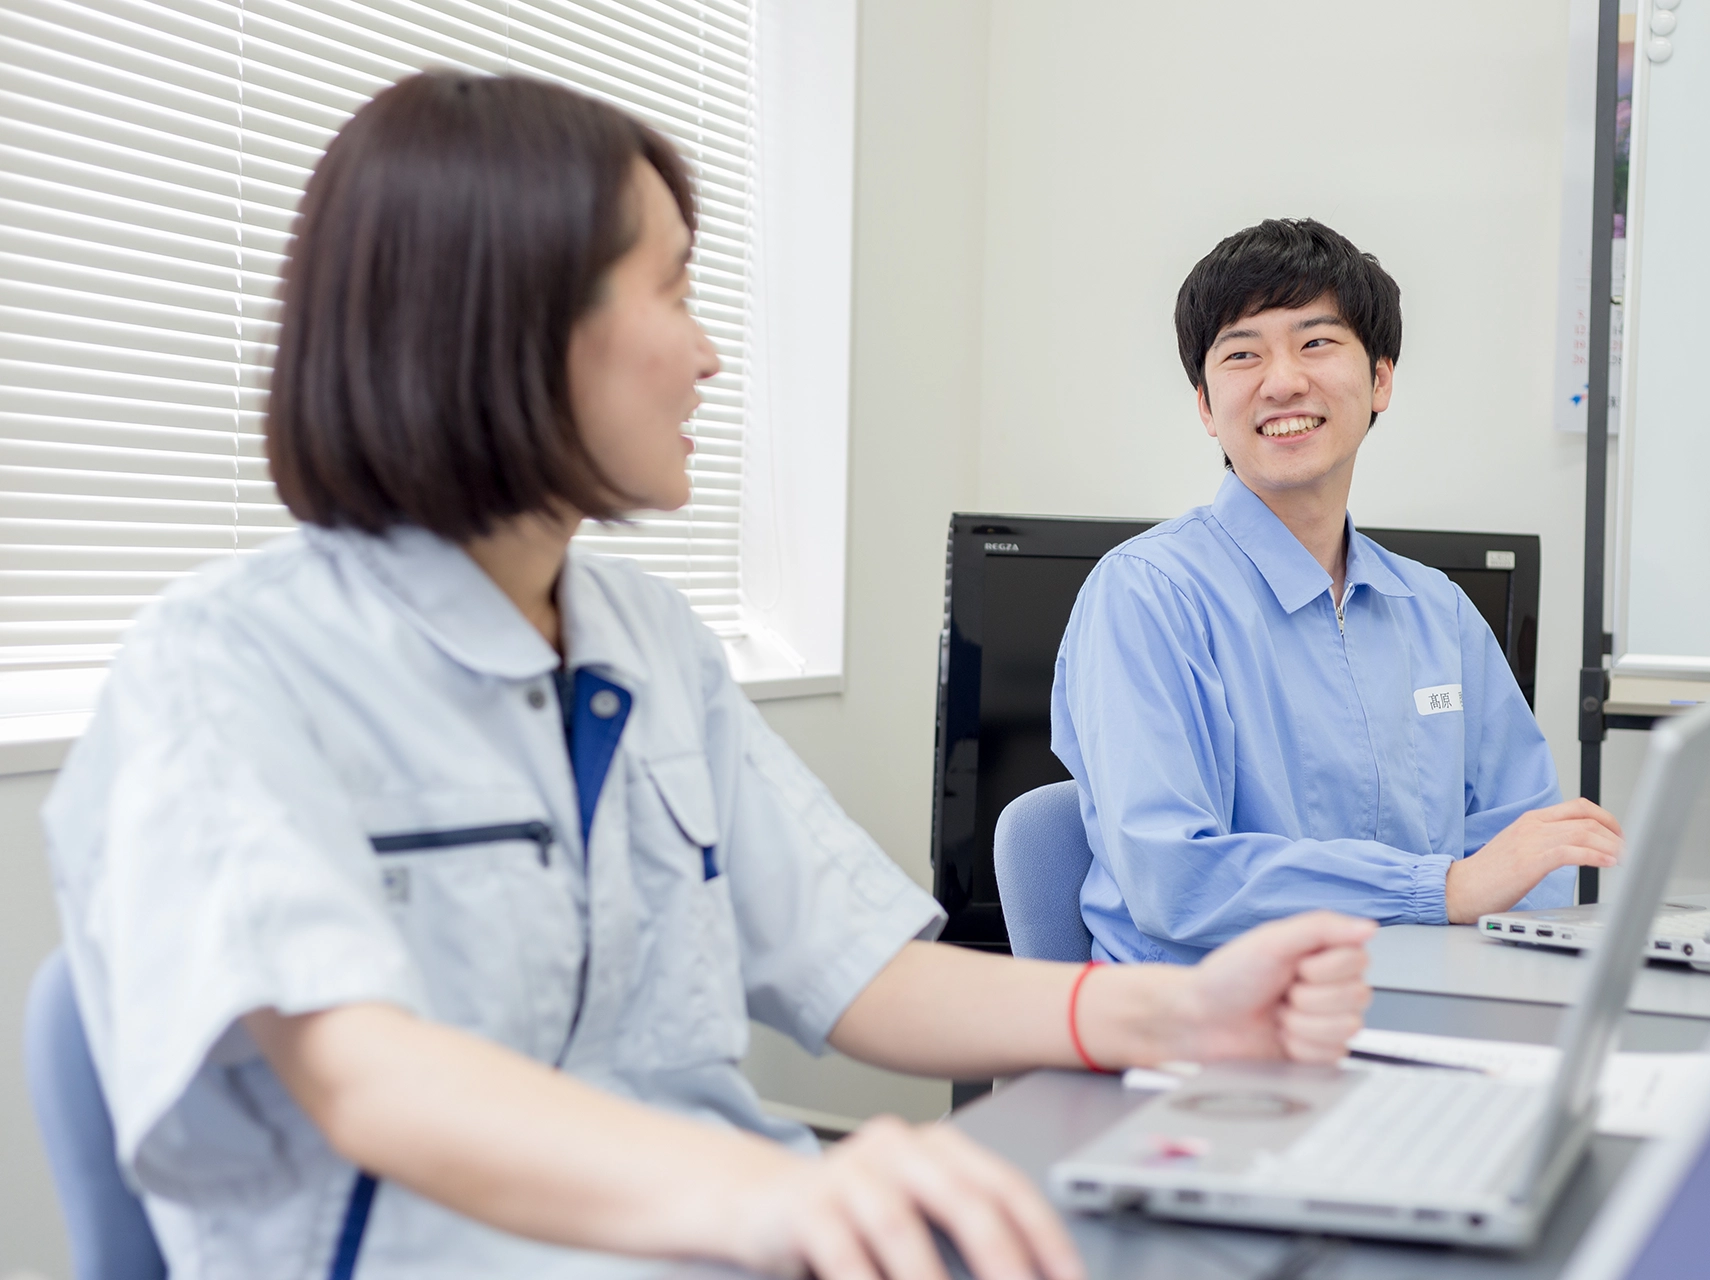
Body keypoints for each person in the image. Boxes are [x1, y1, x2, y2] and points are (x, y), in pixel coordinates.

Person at [41, 75, 1378, 1280]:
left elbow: (861, 972)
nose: (709, 353)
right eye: (672, 293)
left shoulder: (644, 638)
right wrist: (772, 1196)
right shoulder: (226, 667)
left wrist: (1178, 1010)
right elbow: (368, 1079)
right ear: (503, 320)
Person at [1050, 218, 1625, 966]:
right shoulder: (1146, 597)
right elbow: (1175, 879)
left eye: (1316, 343)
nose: (1283, 380)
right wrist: (1440, 889)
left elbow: (1527, 851)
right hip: (1207, 1036)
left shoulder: (1438, 613)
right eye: (1242, 353)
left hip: (1422, 1012)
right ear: (1204, 405)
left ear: (1381, 378)